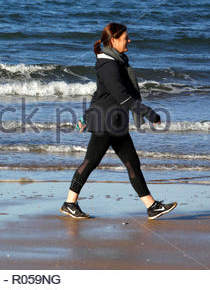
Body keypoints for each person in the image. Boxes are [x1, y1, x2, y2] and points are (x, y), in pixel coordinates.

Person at [61, 22, 177, 220]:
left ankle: (152, 206)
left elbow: (100, 94)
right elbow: (122, 96)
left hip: (114, 120)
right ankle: (69, 203)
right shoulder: (109, 65)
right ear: (113, 40)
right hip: (106, 121)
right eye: (125, 38)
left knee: (132, 163)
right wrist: (149, 113)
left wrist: (86, 115)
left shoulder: (116, 62)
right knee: (90, 162)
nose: (129, 40)